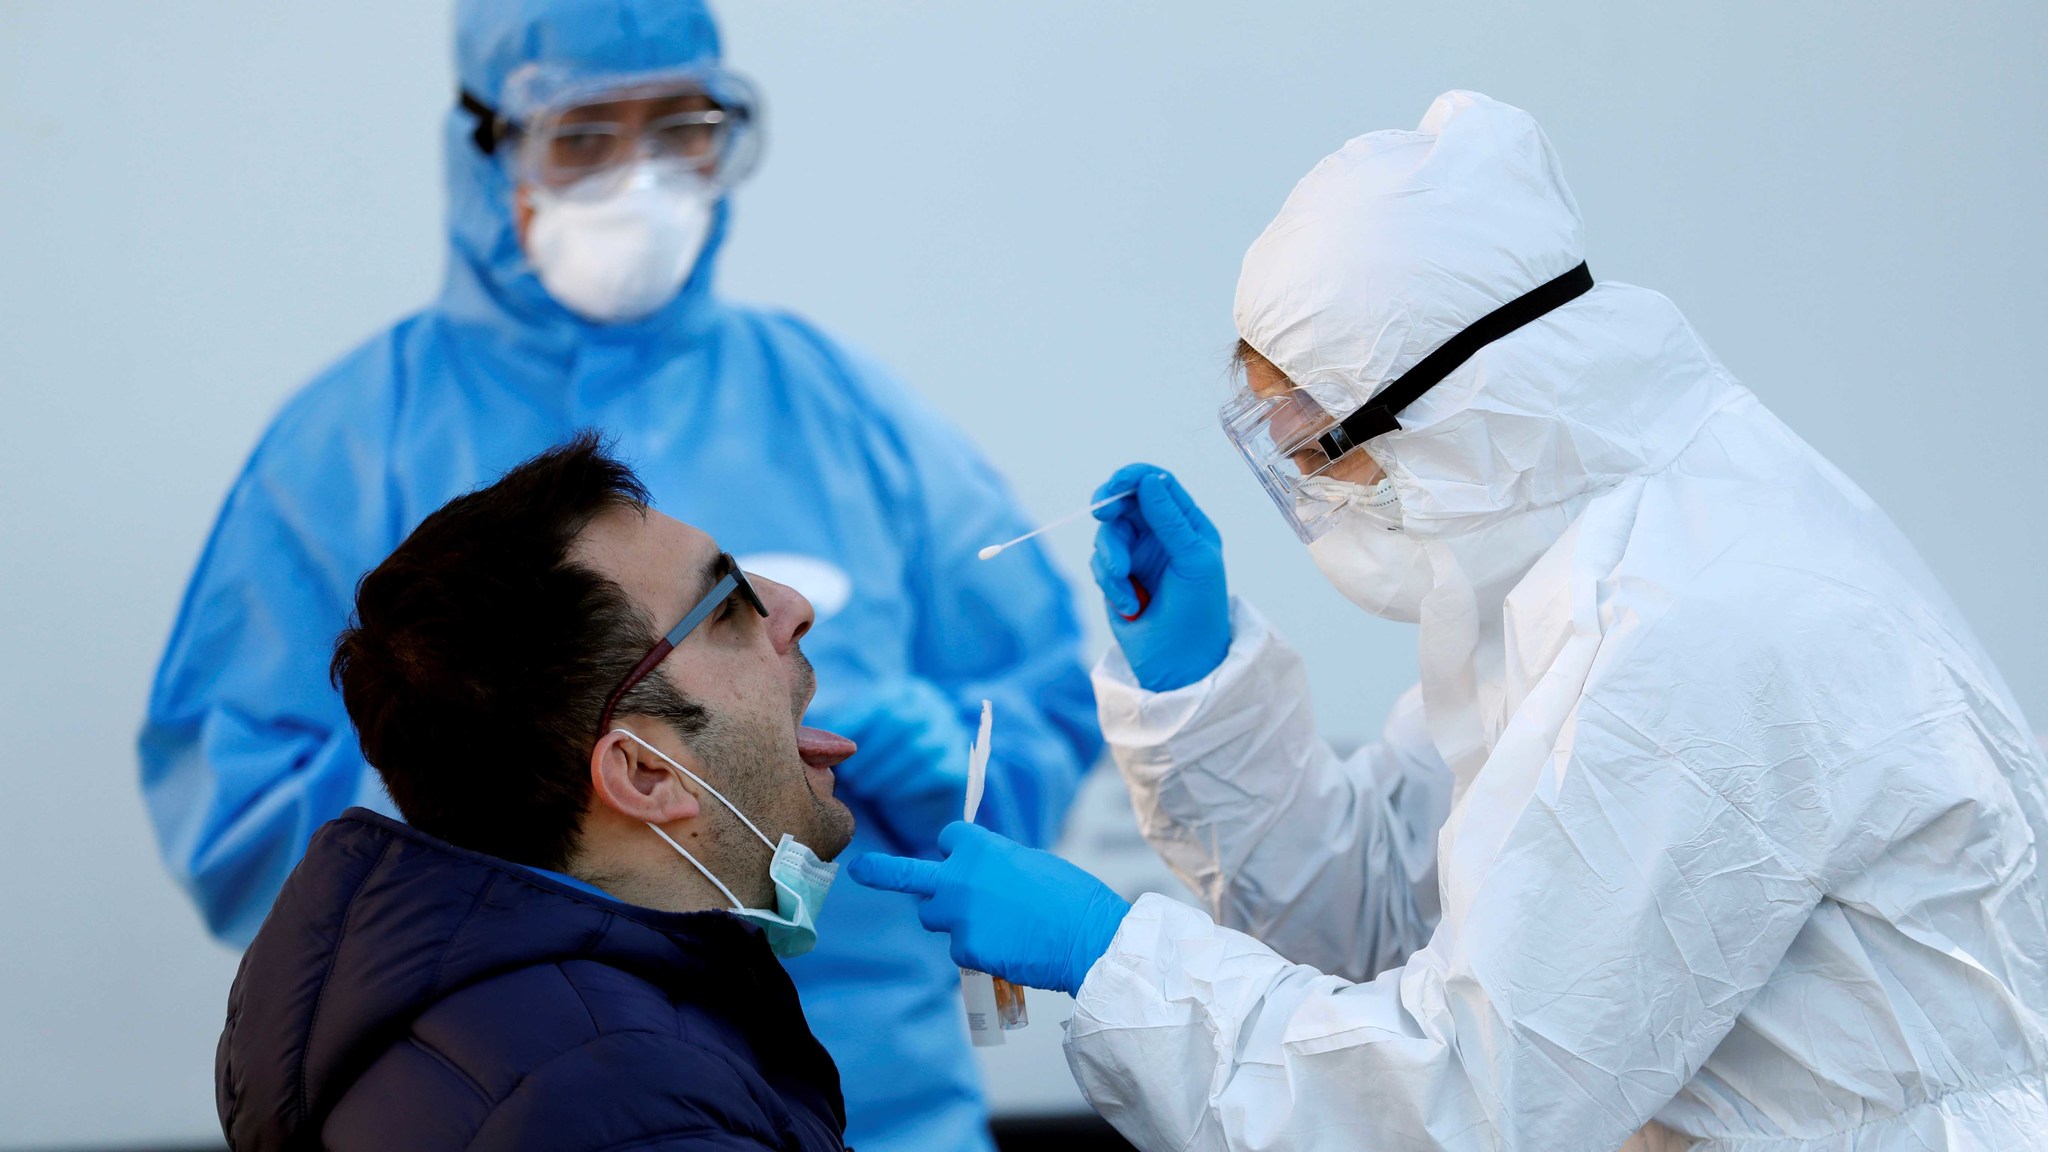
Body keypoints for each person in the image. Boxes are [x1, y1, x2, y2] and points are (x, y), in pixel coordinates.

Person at [853, 92, 2048, 1150]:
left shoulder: (1693, 624)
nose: (1312, 492)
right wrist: (1200, 694)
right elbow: (1377, 913)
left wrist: (1110, 958)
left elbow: (1465, 1103)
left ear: (1459, 402)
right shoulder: (1562, 572)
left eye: (1317, 446)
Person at [140, 2, 1100, 1148]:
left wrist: (950, 774)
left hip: (884, 1100)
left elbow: (1039, 695)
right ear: (487, 145)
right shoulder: (350, 447)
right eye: (586, 136)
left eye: (683, 129)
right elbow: (240, 818)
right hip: (543, 1079)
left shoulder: (842, 411)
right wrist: (492, 788)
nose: (641, 178)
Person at [219, 437, 855, 1150]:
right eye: (727, 606)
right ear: (644, 774)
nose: (794, 606)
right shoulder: (630, 1099)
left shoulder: (510, 1038)